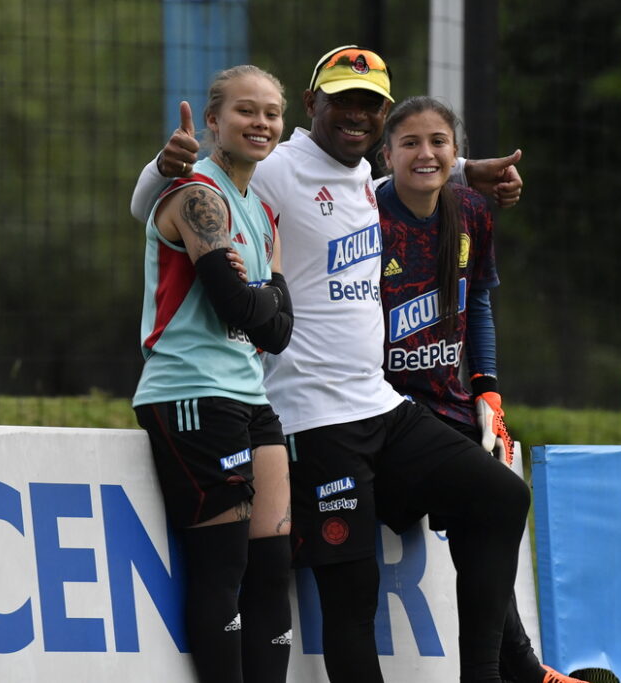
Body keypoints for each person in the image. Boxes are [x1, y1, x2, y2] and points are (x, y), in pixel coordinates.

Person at [133, 46, 529, 683]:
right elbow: (168, 200)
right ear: (311, 105)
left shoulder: (361, 176)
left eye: (370, 106)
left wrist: (460, 170)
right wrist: (159, 167)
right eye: (342, 101)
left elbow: (393, 180)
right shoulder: (278, 166)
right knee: (354, 600)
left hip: (379, 405)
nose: (357, 115)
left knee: (501, 497)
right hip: (310, 419)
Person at [376, 95, 585, 683]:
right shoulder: (365, 211)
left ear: (455, 150)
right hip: (385, 413)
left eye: (438, 142)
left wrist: (487, 390)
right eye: (410, 142)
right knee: (494, 497)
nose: (425, 153)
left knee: (488, 504)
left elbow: (480, 303)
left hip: (451, 408)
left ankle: (518, 666)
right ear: (385, 152)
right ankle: (505, 670)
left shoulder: (471, 211)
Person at [131, 64, 294, 683]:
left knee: (271, 568)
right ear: (214, 119)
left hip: (251, 395)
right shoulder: (196, 193)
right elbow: (240, 308)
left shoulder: (263, 213)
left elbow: (276, 331)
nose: (261, 123)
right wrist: (267, 295)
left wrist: (263, 300)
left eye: (272, 113)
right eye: (246, 111)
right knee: (222, 567)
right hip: (192, 392)